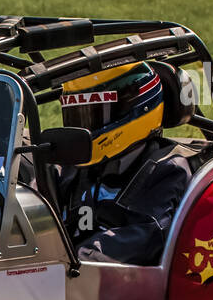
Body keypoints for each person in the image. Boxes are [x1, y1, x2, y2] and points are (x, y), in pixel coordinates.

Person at [56, 61, 193, 265]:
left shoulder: (166, 169)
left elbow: (146, 235)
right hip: (63, 278)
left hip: (118, 287)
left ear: (138, 108)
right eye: (78, 117)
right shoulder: (74, 165)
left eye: (94, 115)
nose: (84, 129)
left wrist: (79, 258)